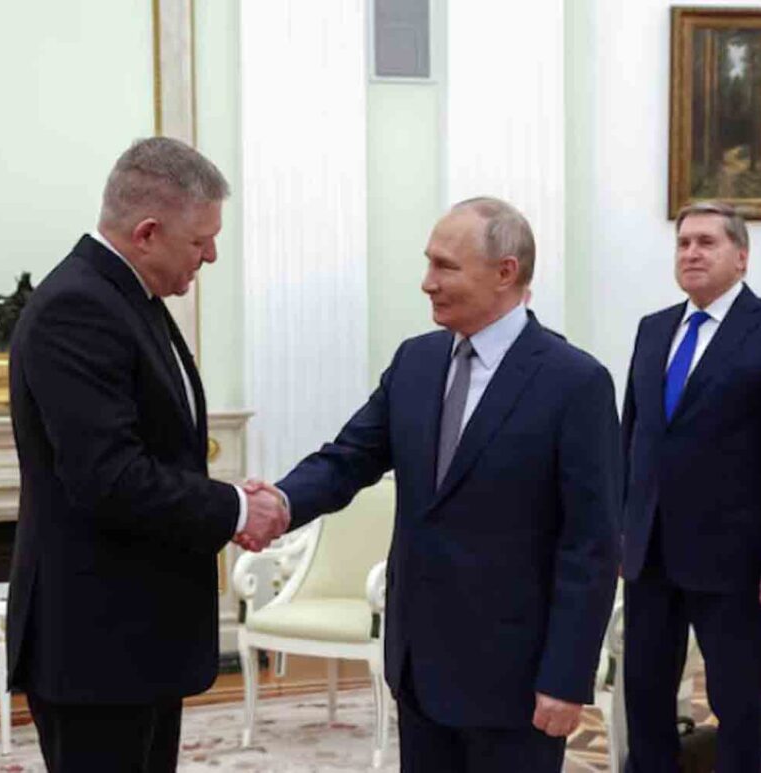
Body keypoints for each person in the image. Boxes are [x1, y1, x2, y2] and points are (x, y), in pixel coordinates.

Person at [245, 197, 620, 772]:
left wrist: (567, 678)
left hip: (515, 677)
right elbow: (349, 458)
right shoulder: (415, 362)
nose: (427, 283)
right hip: (419, 667)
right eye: (429, 264)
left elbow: (590, 544)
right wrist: (280, 501)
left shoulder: (574, 382)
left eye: (445, 266)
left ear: (505, 272)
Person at [6, 137, 288, 772]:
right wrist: (234, 508)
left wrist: (222, 500)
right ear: (148, 232)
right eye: (200, 241)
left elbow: (156, 449)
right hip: (96, 641)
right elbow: (109, 477)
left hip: (135, 636)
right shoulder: (78, 307)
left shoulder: (128, 298)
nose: (212, 255)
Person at [622, 201, 761, 773]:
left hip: (734, 559)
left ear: (741, 257)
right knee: (646, 695)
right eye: (683, 244)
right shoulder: (654, 330)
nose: (691, 253)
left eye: (706, 242)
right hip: (650, 550)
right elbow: (632, 436)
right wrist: (621, 528)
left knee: (743, 703)